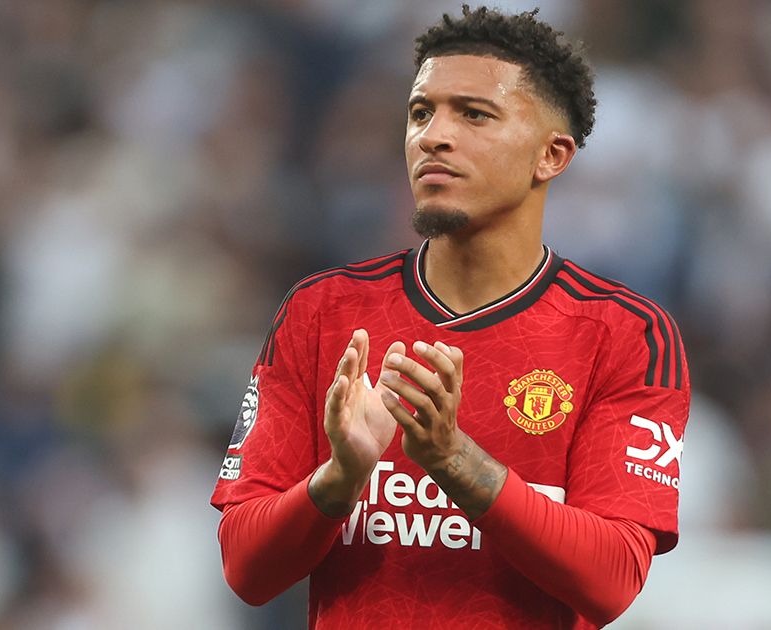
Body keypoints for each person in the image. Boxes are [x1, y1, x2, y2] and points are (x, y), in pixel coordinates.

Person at [211, 6, 690, 628]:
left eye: (474, 114)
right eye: (420, 112)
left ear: (552, 155)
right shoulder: (322, 313)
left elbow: (612, 581)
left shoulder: (624, 334)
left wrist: (453, 459)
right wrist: (339, 478)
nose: (433, 135)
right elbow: (246, 570)